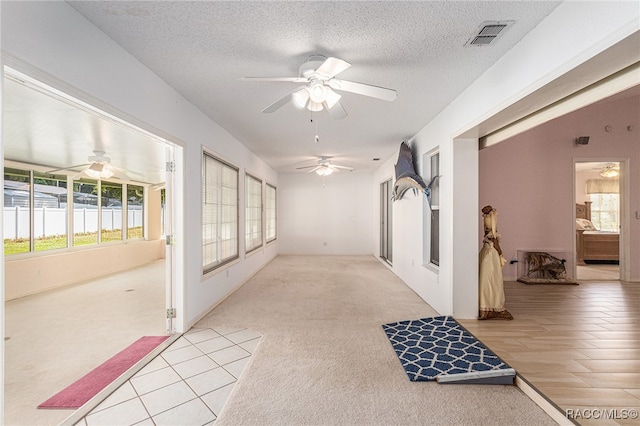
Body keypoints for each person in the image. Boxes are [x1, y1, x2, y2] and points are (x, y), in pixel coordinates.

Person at [478, 205, 513, 320]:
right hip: (491, 254)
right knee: (493, 280)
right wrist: (500, 253)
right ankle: (493, 307)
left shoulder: (487, 220)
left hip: (486, 252)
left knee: (486, 280)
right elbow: (494, 239)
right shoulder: (491, 220)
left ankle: (485, 307)